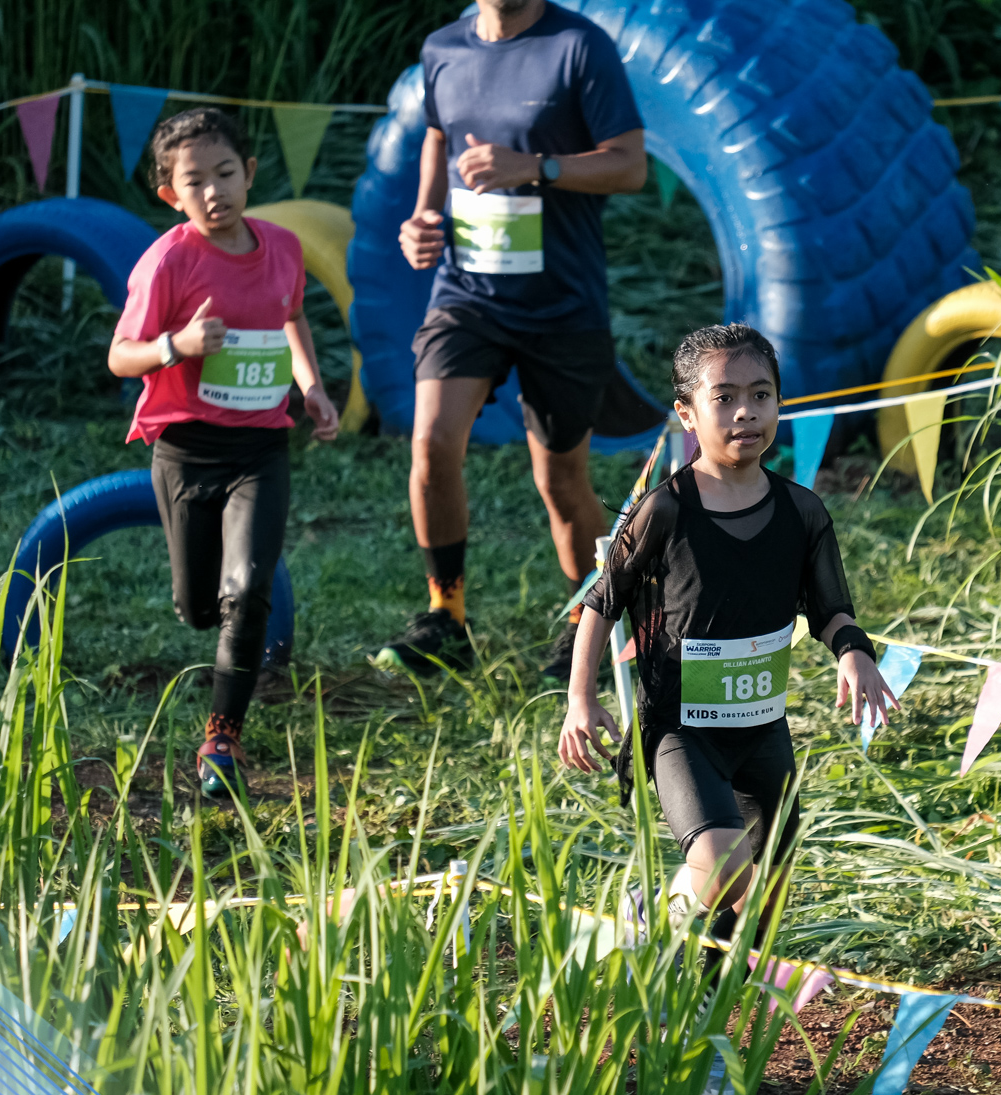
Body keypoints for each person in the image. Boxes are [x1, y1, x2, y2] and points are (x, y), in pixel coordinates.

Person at [557, 324, 897, 953]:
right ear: (687, 413)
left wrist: (855, 654)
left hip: (764, 730)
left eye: (761, 394)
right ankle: (652, 912)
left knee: (762, 899)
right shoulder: (664, 509)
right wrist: (581, 699)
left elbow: (831, 610)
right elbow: (602, 603)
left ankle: (716, 997)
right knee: (722, 865)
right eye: (725, 397)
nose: (746, 411)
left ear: (779, 404)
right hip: (681, 728)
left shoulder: (802, 513)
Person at [371, 0, 648, 680]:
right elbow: (438, 135)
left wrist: (536, 167)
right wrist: (424, 215)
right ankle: (445, 618)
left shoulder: (579, 46)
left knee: (560, 479)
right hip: (467, 295)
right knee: (432, 443)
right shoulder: (443, 48)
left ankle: (588, 625)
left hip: (563, 304)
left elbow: (630, 166)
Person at [108, 108, 339, 797]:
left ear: (250, 173)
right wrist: (175, 346)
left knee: (246, 590)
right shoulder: (168, 261)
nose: (214, 192)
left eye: (226, 173)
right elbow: (121, 356)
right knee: (199, 608)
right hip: (185, 450)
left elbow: (292, 316)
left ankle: (222, 739)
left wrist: (312, 387)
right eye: (195, 182)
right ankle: (213, 615)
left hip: (261, 447)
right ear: (170, 195)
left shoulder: (283, 248)